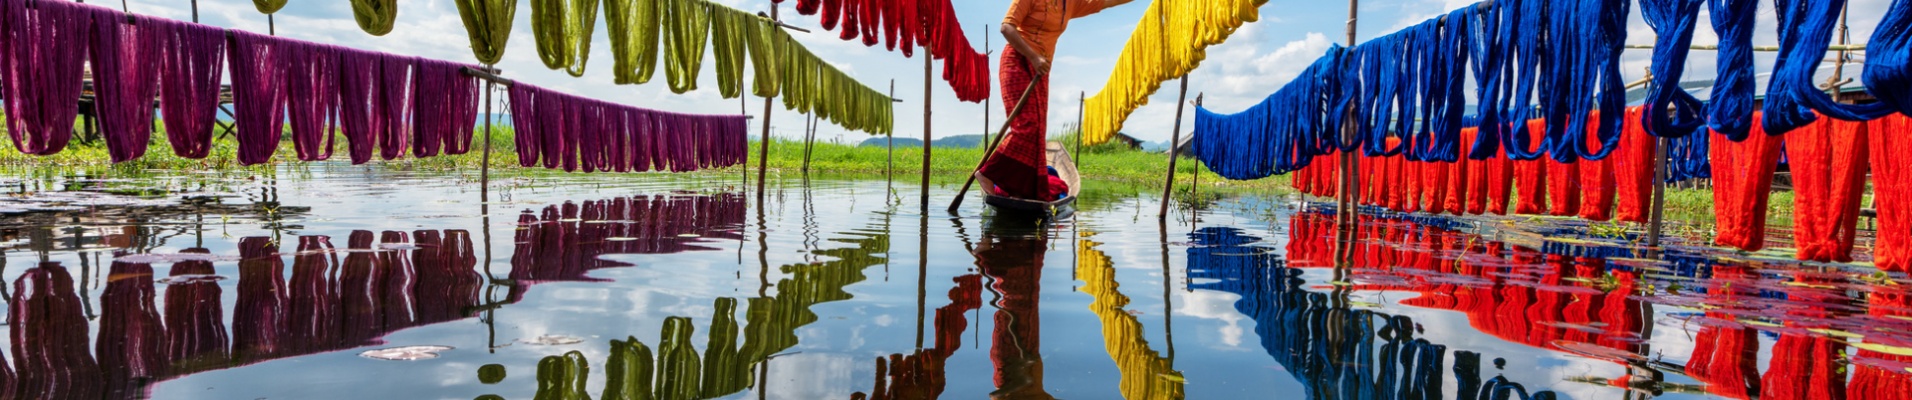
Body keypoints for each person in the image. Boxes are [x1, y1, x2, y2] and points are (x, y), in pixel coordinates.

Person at [979, 0, 1136, 201]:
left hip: (1040, 69)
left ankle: (1019, 190)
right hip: (1017, 60)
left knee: (1037, 132)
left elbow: (1104, 2)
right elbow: (1006, 28)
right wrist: (1034, 57)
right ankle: (987, 173)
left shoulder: (1068, 3)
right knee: (1026, 125)